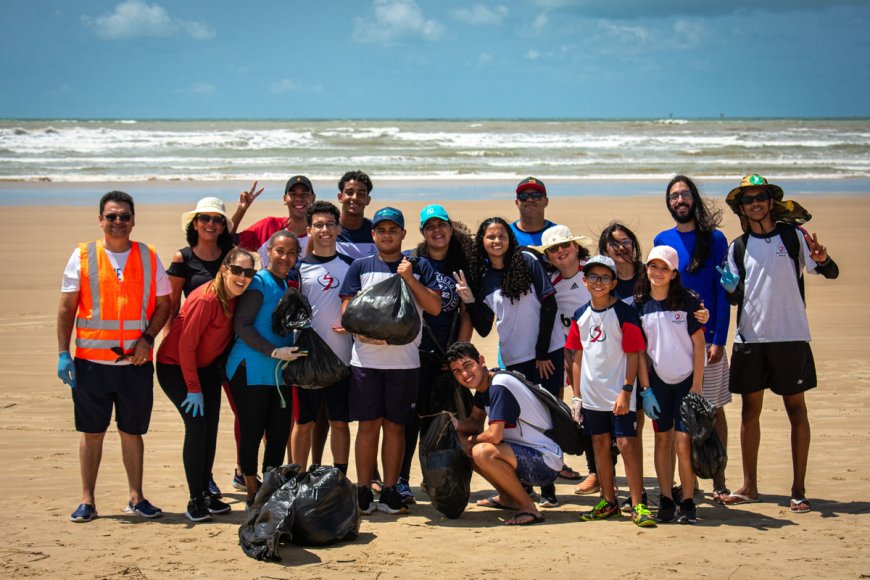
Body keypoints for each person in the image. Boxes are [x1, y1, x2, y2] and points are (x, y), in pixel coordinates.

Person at [719, 174, 839, 513]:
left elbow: (829, 272)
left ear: (771, 202)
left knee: (796, 410)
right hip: (751, 338)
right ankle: (750, 486)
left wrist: (824, 258)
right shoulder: (737, 247)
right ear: (741, 208)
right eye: (747, 199)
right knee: (749, 412)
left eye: (760, 196)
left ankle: (798, 489)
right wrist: (728, 286)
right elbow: (733, 298)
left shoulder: (793, 236)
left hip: (791, 336)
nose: (755, 203)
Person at [56, 191, 171, 523]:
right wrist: (64, 353)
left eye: (124, 216)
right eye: (111, 216)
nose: (118, 222)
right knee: (92, 432)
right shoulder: (82, 255)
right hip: (91, 364)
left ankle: (136, 497)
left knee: (132, 431)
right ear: (100, 220)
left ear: (133, 220)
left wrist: (148, 339)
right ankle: (87, 501)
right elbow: (66, 308)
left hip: (134, 365)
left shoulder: (148, 256)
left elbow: (164, 305)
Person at [339, 207, 441, 515]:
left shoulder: (419, 266)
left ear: (403, 234)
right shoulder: (360, 266)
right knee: (367, 426)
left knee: (395, 427)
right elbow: (347, 313)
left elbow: (434, 307)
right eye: (381, 230)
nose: (387, 235)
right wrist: (366, 333)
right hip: (365, 362)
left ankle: (390, 491)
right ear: (373, 235)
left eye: (393, 230)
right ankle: (362, 490)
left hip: (405, 363)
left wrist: (410, 279)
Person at [466, 216, 565, 507]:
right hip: (512, 357)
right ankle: (523, 487)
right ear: (482, 243)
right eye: (490, 237)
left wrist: (543, 352)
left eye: (501, 236)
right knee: (515, 424)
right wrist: (470, 299)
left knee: (547, 419)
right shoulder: (483, 277)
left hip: (545, 353)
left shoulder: (527, 262)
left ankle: (549, 490)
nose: (496, 241)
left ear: (509, 239)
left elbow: (549, 304)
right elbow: (484, 327)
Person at [156, 248, 256, 522]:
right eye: (237, 270)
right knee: (197, 426)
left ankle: (206, 490)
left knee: (210, 428)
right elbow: (186, 346)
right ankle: (195, 498)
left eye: (249, 273)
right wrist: (193, 387)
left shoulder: (236, 297)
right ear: (224, 270)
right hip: (176, 368)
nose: (242, 277)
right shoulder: (207, 298)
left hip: (206, 369)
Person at [654, 175, 732, 501]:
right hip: (674, 342)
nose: (680, 200)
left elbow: (723, 291)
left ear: (694, 200)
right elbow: (660, 287)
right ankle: (690, 482)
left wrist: (719, 338)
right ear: (669, 203)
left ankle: (719, 478)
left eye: (685, 194)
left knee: (711, 409)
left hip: (707, 339)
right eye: (674, 196)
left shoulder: (714, 239)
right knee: (680, 416)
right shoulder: (662, 238)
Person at [564, 255, 655, 528]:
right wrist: (577, 396)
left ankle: (638, 503)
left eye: (605, 278)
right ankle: (608, 500)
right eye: (593, 277)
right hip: (592, 397)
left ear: (614, 282)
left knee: (627, 445)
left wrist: (627, 391)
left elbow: (634, 354)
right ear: (584, 281)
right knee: (600, 445)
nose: (598, 282)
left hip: (619, 395)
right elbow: (577, 357)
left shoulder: (625, 313)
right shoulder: (580, 316)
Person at [396, 204, 474, 504]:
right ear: (423, 233)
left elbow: (466, 314)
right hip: (416, 354)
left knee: (443, 422)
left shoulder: (461, 266)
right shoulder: (413, 264)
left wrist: (457, 355)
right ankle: (402, 479)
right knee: (410, 420)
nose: (436, 231)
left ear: (450, 229)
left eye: (441, 225)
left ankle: (436, 478)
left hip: (447, 358)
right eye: (430, 227)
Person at [225, 230, 307, 508]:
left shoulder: (286, 286)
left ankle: (269, 486)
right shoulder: (259, 282)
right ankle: (251, 488)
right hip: (250, 368)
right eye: (280, 251)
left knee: (279, 432)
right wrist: (272, 350)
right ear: (267, 252)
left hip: (279, 371)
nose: (285, 257)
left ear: (298, 256)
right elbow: (242, 325)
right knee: (251, 429)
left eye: (291, 252)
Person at [165, 196, 235, 497]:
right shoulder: (183, 259)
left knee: (211, 424)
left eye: (217, 219)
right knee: (197, 425)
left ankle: (206, 480)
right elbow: (170, 305)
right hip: (185, 352)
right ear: (195, 223)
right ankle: (198, 492)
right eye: (205, 218)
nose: (210, 224)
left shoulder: (230, 258)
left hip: (217, 355)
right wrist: (173, 340)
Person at [447, 341, 561, 526]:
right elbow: (475, 421)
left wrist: (471, 439)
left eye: (468, 366)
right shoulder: (486, 384)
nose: (465, 375)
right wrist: (451, 424)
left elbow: (495, 436)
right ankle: (507, 498)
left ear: (481, 360)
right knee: (466, 446)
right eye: (458, 372)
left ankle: (529, 508)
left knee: (481, 451)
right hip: (524, 455)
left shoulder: (499, 385)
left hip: (545, 461)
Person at [634, 246, 706, 524]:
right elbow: (639, 352)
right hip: (658, 382)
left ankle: (687, 500)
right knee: (663, 439)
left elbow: (698, 345)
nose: (658, 272)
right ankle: (665, 499)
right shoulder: (639, 304)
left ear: (674, 273)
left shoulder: (688, 301)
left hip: (687, 382)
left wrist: (697, 385)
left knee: (683, 442)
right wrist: (646, 389)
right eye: (653, 266)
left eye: (664, 268)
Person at [289, 201, 353, 474]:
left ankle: (338, 475)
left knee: (339, 422)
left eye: (330, 224)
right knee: (304, 422)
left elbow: (360, 306)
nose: (324, 229)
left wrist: (354, 324)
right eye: (318, 225)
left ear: (338, 228)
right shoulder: (297, 270)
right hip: (307, 359)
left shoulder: (352, 267)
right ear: (308, 229)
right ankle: (297, 477)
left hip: (342, 358)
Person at [530, 224, 593, 483]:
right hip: (562, 354)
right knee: (555, 408)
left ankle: (596, 471)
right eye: (553, 249)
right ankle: (557, 463)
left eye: (565, 245)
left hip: (596, 353)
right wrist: (542, 352)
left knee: (593, 413)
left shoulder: (594, 272)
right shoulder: (550, 283)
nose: (561, 251)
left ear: (575, 246)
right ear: (547, 257)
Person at [232, 176, 315, 266]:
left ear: (313, 198)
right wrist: (241, 209)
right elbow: (227, 240)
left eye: (305, 194)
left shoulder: (321, 233)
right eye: (293, 194)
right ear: (285, 199)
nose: (299, 198)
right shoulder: (268, 226)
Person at [335, 170, 377, 259]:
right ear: (340, 197)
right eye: (349, 193)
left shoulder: (376, 231)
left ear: (368, 200)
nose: (354, 197)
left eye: (361, 194)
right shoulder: (329, 229)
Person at [510, 177, 558, 246]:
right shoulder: (506, 234)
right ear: (517, 202)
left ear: (546, 201)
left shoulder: (557, 233)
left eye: (536, 195)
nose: (530, 200)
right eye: (524, 196)